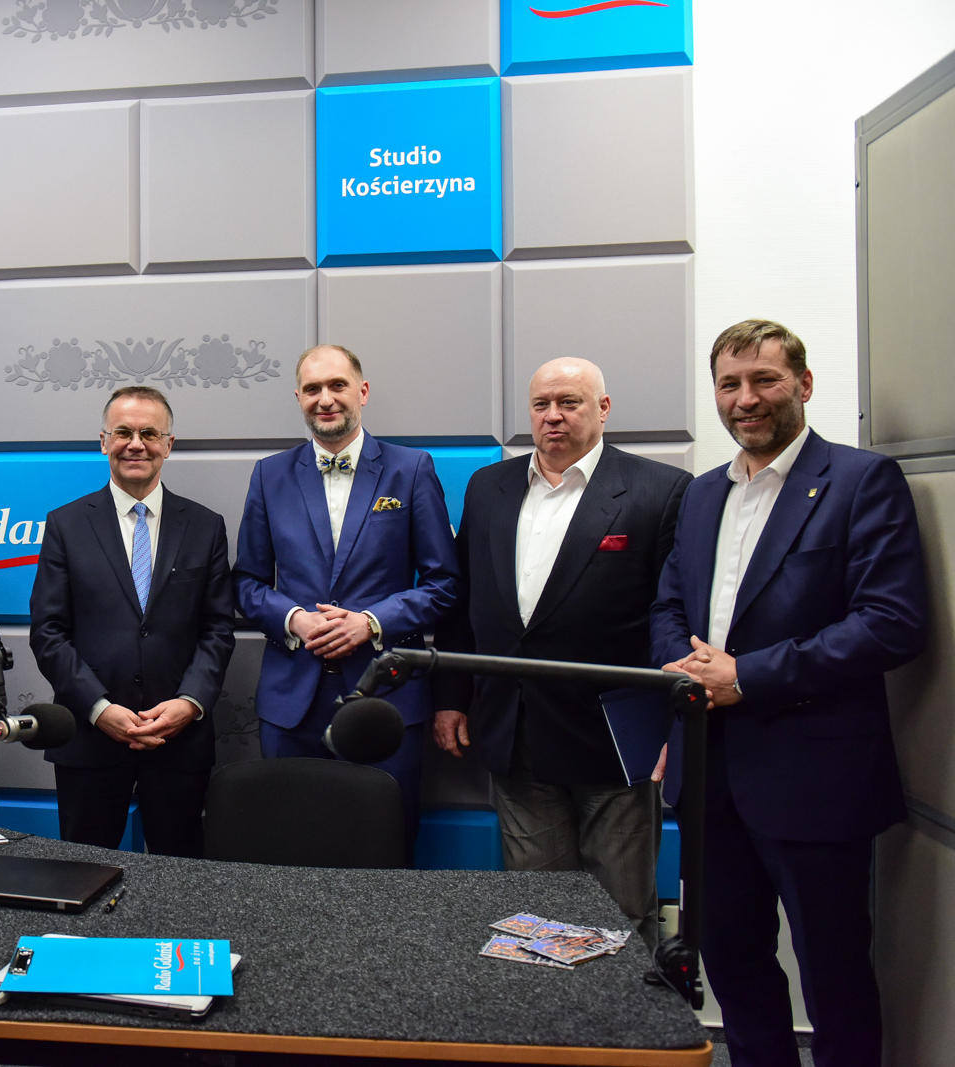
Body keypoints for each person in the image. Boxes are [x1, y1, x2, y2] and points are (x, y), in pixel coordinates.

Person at [652, 320, 925, 1067]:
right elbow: (669, 604)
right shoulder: (702, 494)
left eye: (764, 380)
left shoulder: (861, 481)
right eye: (729, 384)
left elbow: (891, 624)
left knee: (835, 980)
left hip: (816, 780)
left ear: (803, 384)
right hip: (708, 775)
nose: (745, 399)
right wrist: (684, 670)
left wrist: (746, 676)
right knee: (732, 969)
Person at [432, 358, 690, 947]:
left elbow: (674, 615)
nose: (553, 415)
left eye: (569, 402)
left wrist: (675, 725)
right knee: (537, 917)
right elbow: (464, 603)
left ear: (603, 408)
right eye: (542, 404)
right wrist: (452, 697)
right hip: (514, 729)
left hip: (617, 739)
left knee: (621, 916)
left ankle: (622, 1010)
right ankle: (547, 1007)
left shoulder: (660, 490)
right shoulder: (488, 487)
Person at [234, 343, 459, 842]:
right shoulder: (270, 474)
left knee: (384, 846)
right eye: (312, 388)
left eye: (338, 385)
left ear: (363, 391)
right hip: (291, 705)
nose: (325, 398)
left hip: (387, 700)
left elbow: (444, 584)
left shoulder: (411, 469)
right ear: (298, 397)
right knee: (289, 847)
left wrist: (371, 622)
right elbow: (246, 583)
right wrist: (295, 619)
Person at [29, 386, 235, 857]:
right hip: (90, 738)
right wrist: (100, 709)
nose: (135, 444)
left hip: (179, 740)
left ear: (169, 444)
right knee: (84, 872)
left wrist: (189, 704)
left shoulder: (205, 526)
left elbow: (218, 630)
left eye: (149, 434)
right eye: (123, 432)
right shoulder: (65, 525)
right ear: (104, 441)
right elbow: (48, 632)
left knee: (180, 875)